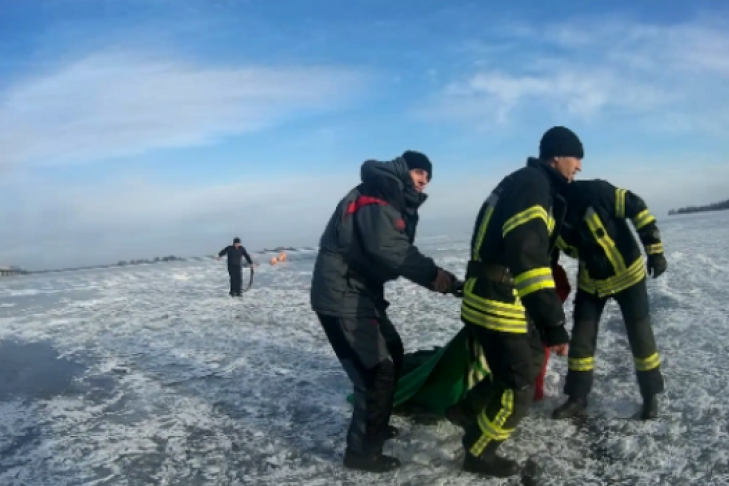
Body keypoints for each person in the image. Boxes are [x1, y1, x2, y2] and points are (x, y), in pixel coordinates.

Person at [310, 150, 460, 473]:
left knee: (392, 351)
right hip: (342, 293)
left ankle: (375, 425)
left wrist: (441, 280)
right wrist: (435, 276)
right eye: (419, 172)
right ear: (404, 169)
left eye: (427, 177)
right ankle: (362, 452)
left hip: (361, 293)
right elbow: (389, 248)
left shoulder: (390, 194)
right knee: (376, 371)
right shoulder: (379, 192)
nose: (423, 181)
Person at [446, 126, 582, 478]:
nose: (579, 166)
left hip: (493, 294)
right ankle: (478, 451)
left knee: (530, 359)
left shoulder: (524, 181)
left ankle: (466, 411)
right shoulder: (533, 186)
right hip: (499, 301)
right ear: (557, 156)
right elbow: (528, 254)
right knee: (519, 386)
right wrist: (553, 323)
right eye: (576, 157)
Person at [550, 179, 668, 421]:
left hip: (629, 276)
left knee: (641, 337)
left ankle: (650, 396)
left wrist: (655, 251)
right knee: (581, 341)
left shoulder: (596, 192)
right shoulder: (549, 219)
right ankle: (577, 398)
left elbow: (637, 208)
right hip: (592, 283)